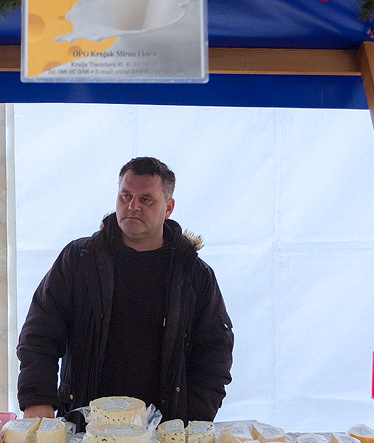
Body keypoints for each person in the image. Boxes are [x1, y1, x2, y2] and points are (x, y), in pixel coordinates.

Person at [16, 157, 233, 424]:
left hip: (164, 435)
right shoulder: (80, 260)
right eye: (125, 196)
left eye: (146, 199)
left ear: (168, 208)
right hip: (86, 430)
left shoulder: (194, 275)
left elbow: (214, 355)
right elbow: (40, 334)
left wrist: (192, 421)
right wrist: (38, 400)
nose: (132, 206)